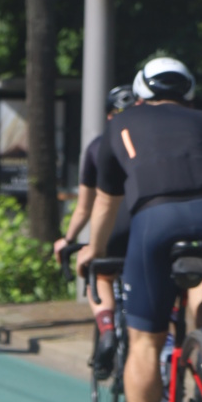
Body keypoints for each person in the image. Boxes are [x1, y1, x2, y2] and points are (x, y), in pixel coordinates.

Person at [76, 57, 202, 402]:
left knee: (146, 342)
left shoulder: (119, 125)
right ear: (188, 91)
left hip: (155, 216)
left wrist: (93, 249)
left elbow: (108, 203)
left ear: (140, 90)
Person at [53, 85, 137, 378]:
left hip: (114, 227)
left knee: (99, 275)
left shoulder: (97, 147)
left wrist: (69, 239)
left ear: (109, 116)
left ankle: (106, 329)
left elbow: (84, 208)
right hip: (150, 223)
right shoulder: (151, 140)